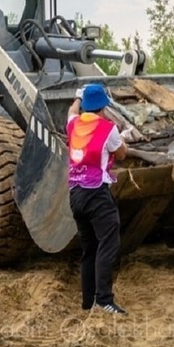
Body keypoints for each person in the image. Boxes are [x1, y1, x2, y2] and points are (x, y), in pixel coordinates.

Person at [67, 83, 129, 314]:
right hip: (96, 193)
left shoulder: (73, 124)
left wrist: (77, 96)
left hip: (75, 194)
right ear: (103, 106)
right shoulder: (107, 128)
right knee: (109, 242)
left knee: (89, 247)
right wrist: (123, 141)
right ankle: (104, 299)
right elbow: (121, 153)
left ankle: (88, 301)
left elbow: (71, 112)